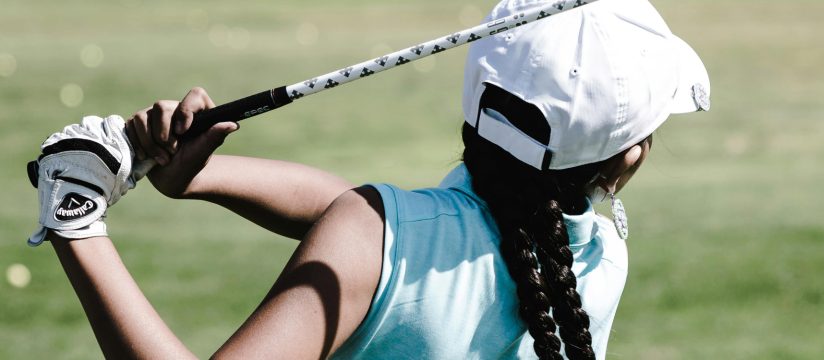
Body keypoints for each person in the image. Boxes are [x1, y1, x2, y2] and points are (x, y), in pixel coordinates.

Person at [26, 0, 709, 358]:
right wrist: (200, 179)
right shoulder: (596, 259)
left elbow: (373, 233)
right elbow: (373, 229)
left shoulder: (378, 238)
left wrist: (75, 212)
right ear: (627, 159)